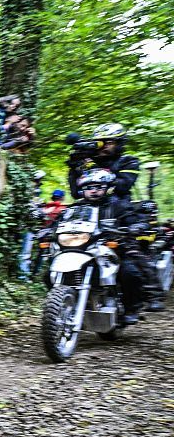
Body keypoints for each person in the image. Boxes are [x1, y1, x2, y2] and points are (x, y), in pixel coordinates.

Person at [68, 169, 149, 324]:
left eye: (98, 187)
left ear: (107, 188)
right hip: (83, 249)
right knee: (49, 272)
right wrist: (47, 229)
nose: (93, 191)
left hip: (114, 248)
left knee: (130, 272)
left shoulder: (119, 206)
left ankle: (132, 308)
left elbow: (135, 219)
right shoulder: (75, 209)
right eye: (88, 187)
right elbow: (59, 222)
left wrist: (136, 226)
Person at [67, 123, 139, 200]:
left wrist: (95, 169)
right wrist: (74, 169)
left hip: (117, 207)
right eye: (100, 142)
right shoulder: (86, 161)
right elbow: (75, 194)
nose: (104, 146)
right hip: (88, 207)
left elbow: (123, 187)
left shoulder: (129, 161)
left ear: (119, 144)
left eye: (109, 143)